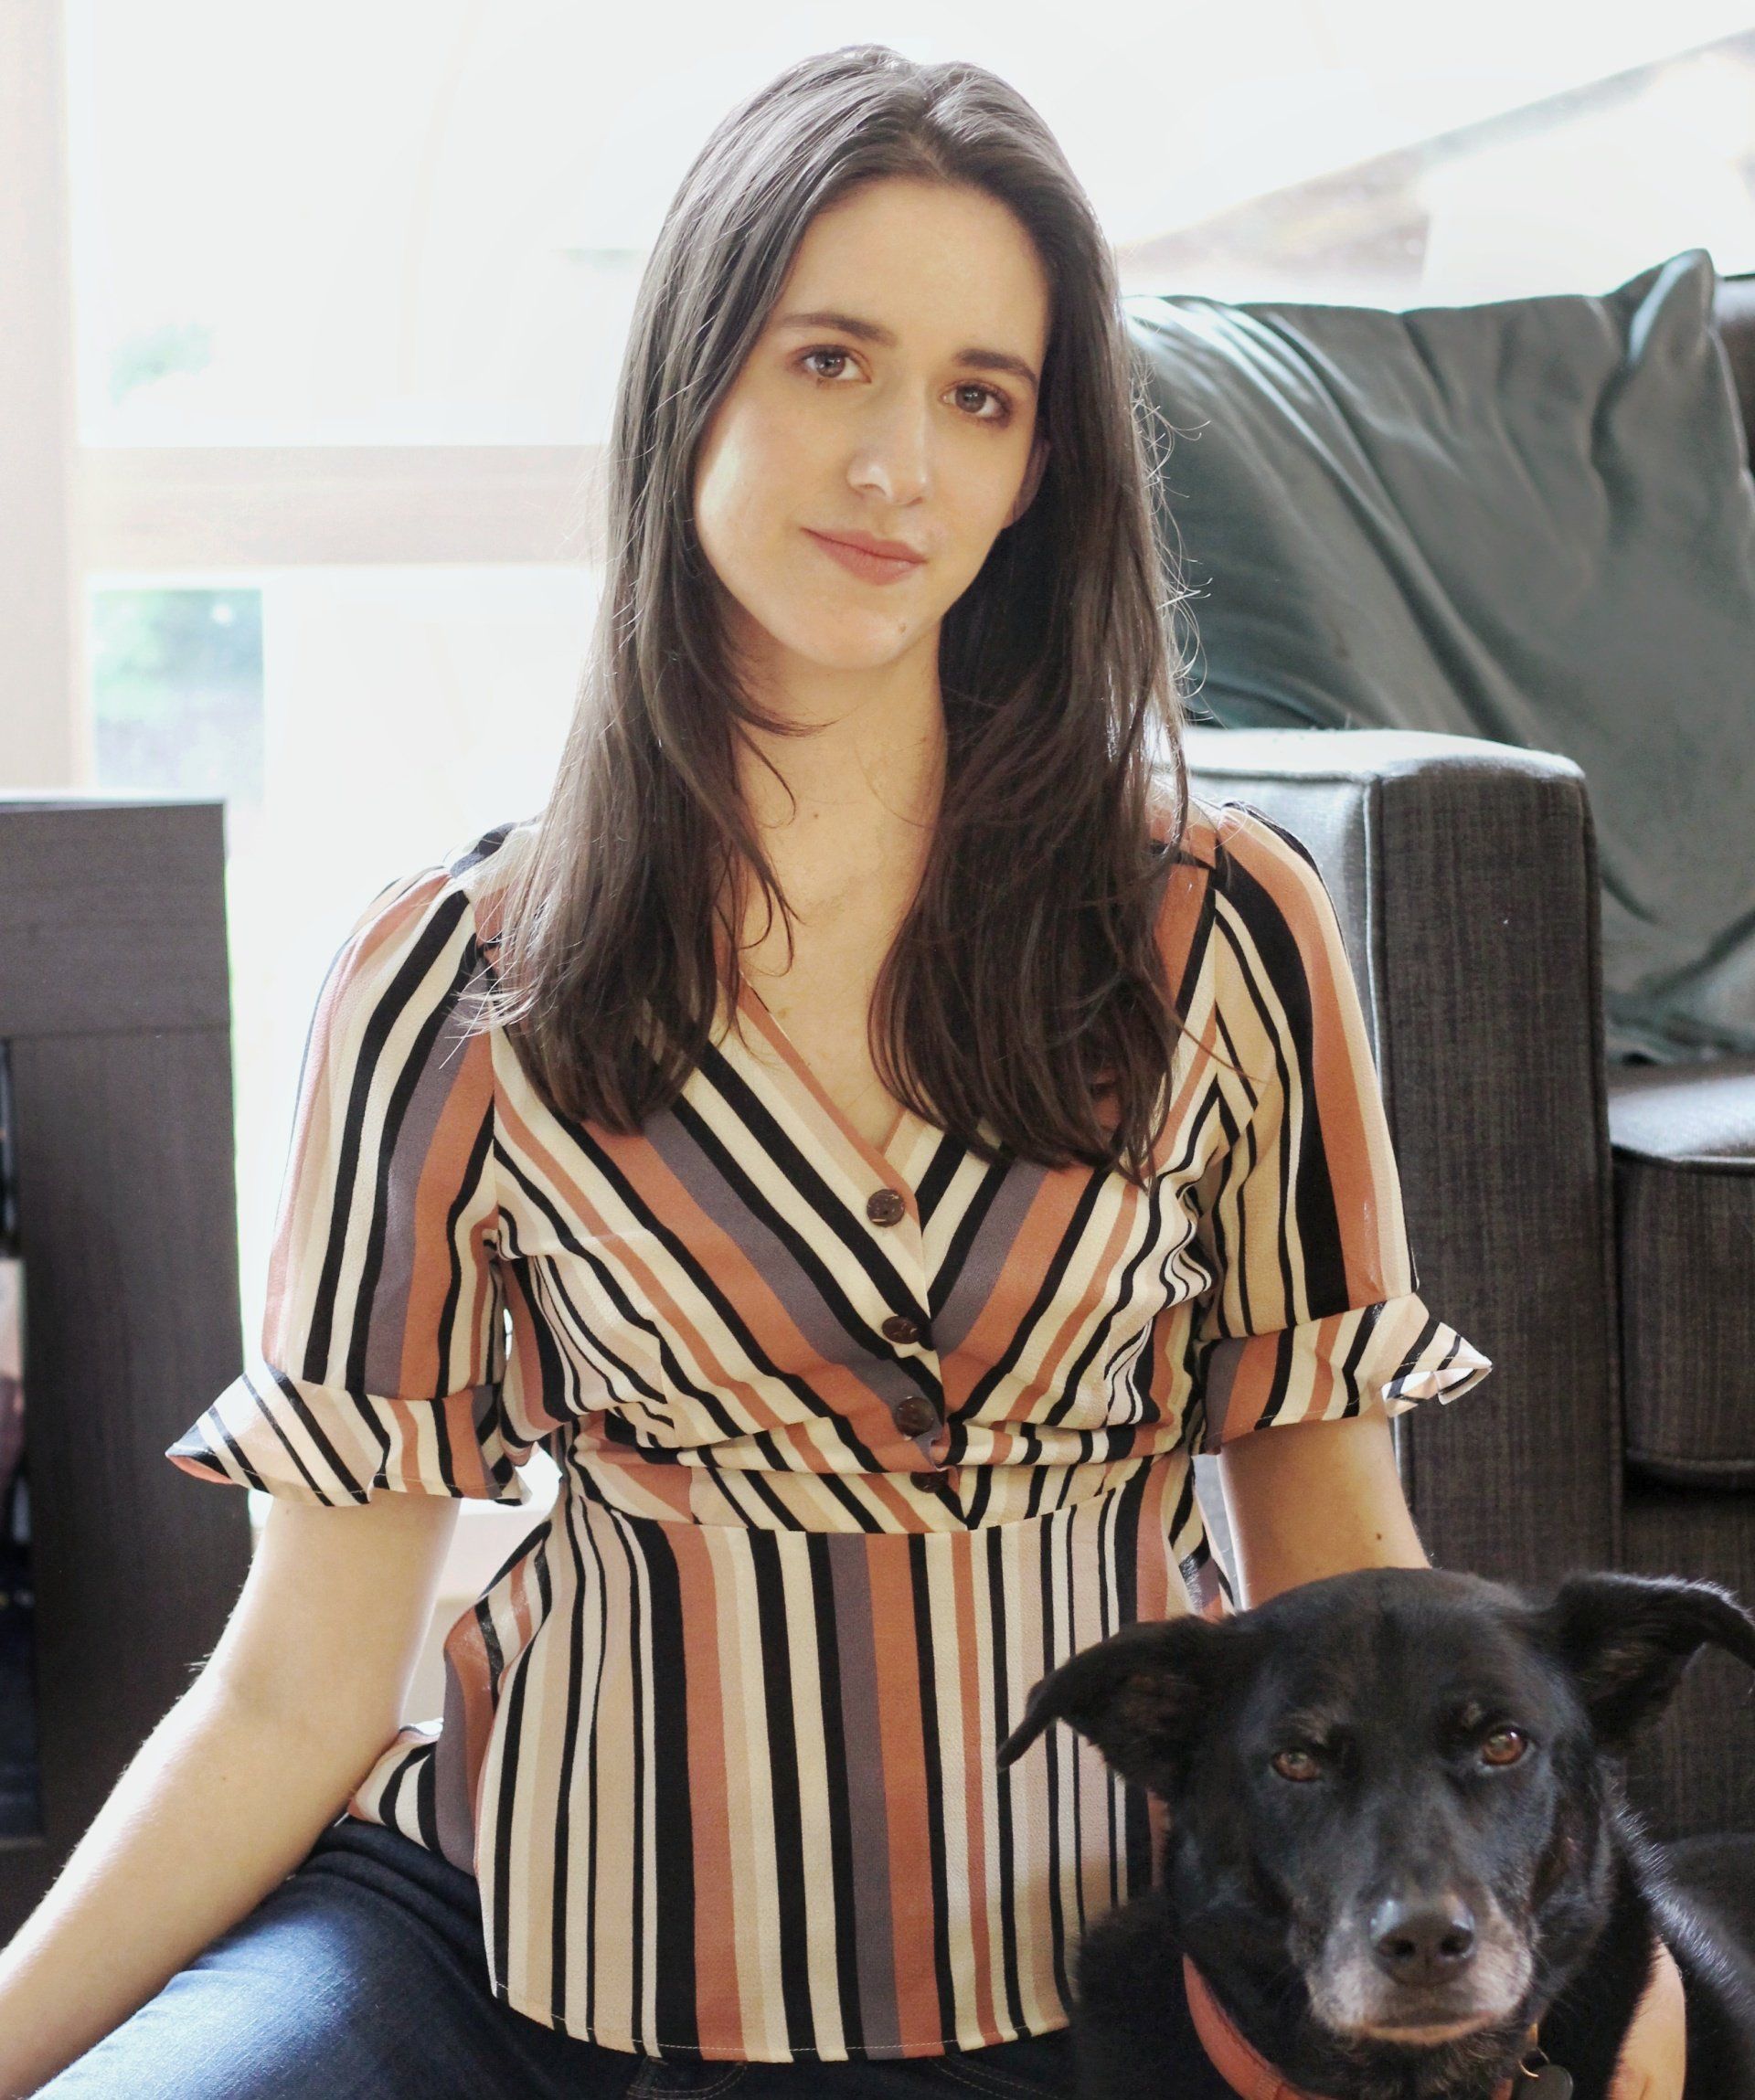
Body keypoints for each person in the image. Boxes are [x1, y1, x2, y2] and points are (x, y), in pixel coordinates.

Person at [0, 43, 1686, 2100]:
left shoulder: (1224, 936)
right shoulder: (444, 980)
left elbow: (1336, 1560)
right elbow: (295, 1689)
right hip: (520, 1964)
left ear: (1036, 468)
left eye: (980, 397)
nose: (900, 460)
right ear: (696, 380)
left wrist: (1553, 1981)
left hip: (1077, 1991)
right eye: (829, 361)